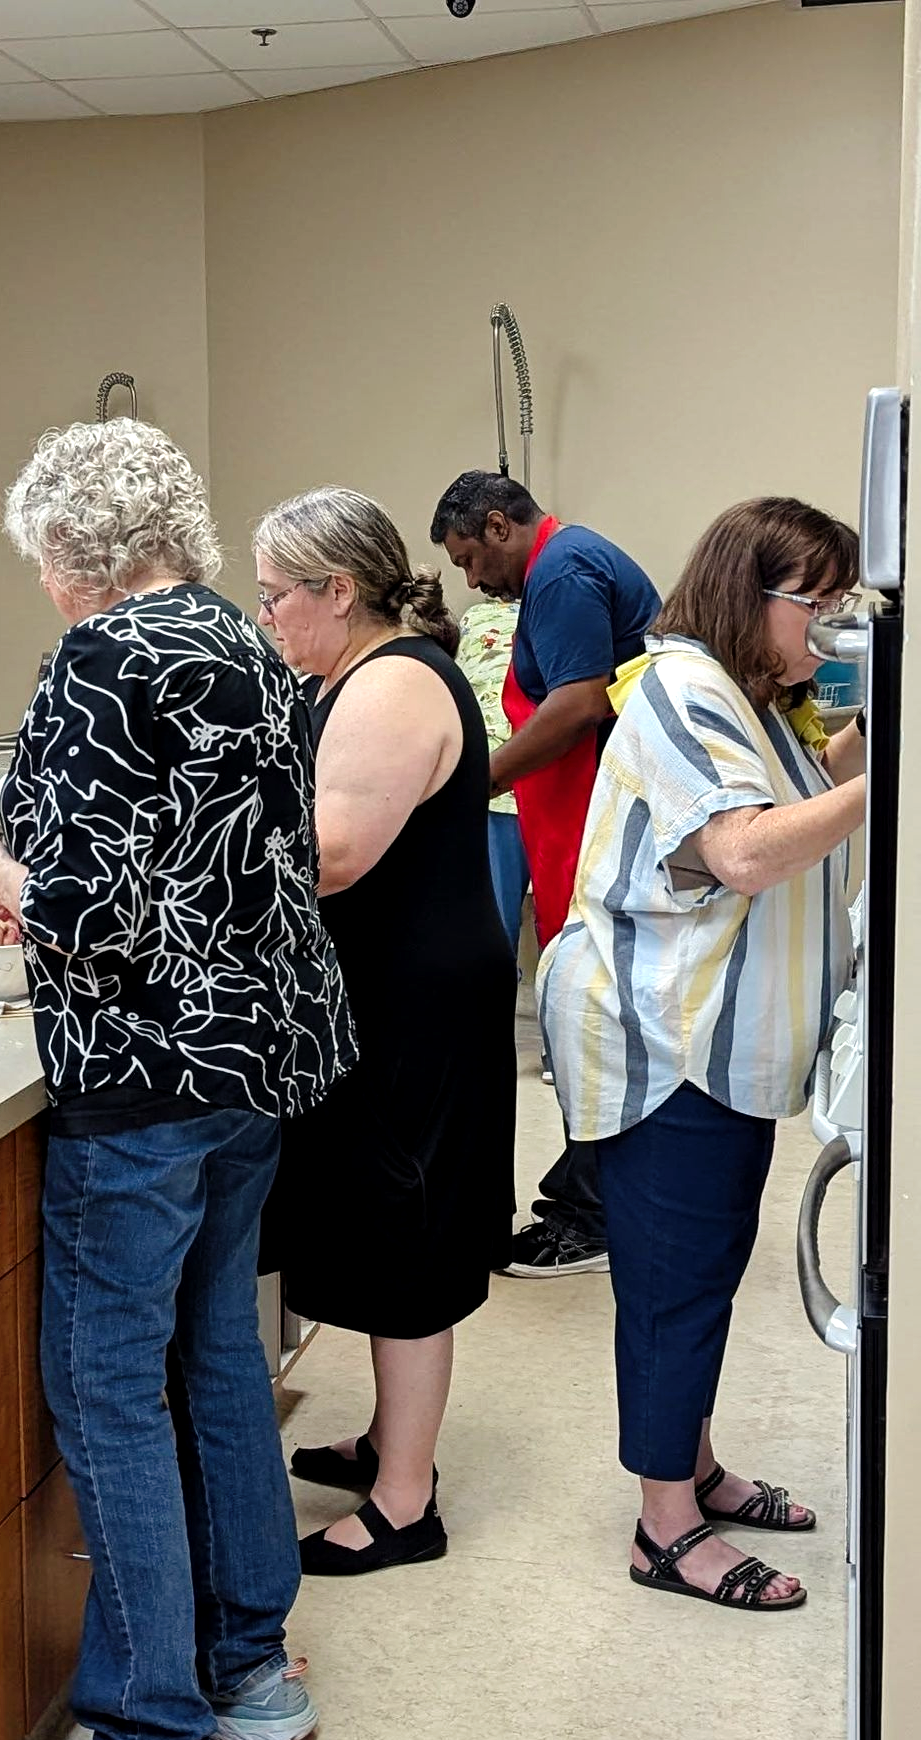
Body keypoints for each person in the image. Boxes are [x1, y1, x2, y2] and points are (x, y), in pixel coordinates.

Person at [0, 419, 354, 1740]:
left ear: (70, 553)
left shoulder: (102, 659)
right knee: (217, 1352)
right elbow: (220, 860)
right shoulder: (246, 644)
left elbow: (92, 903)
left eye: (42, 557)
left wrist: (0, 874)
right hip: (253, 1057)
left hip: (148, 1077)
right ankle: (250, 1665)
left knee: (107, 1385)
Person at [540, 497, 862, 1612]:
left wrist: (874, 734)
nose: (822, 624)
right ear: (748, 592)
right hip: (663, 1041)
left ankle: (699, 1465)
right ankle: (664, 1526)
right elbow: (742, 851)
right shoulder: (682, 690)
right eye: (811, 602)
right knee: (674, 1287)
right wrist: (890, 789)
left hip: (721, 1042)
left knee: (709, 1273)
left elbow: (815, 790)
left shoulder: (754, 702)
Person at [254, 488, 515, 1575]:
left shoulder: (396, 682)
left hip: (415, 1001)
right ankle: (383, 1439)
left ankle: (407, 1502)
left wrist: (185, 865)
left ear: (338, 591)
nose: (265, 616)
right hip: (393, 988)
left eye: (274, 597)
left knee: (407, 1234)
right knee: (376, 1220)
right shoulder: (356, 674)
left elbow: (335, 853)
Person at [430, 472, 660, 1279]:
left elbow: (578, 705)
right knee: (588, 1010)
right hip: (576, 810)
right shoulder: (572, 559)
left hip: (594, 809)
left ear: (499, 526)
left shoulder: (560, 572)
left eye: (469, 557)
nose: (471, 579)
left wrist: (473, 785)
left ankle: (593, 1213)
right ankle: (591, 1191)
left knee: (590, 1014)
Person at [457, 597, 531, 966]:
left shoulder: (551, 609)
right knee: (494, 920)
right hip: (485, 791)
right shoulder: (475, 618)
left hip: (535, 788)